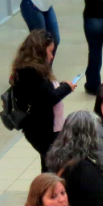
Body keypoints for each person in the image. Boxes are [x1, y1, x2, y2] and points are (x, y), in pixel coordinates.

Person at [11, 30, 75, 172]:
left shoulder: (29, 70)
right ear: (40, 51)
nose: (52, 57)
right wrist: (66, 88)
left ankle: (47, 191)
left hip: (43, 128)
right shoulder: (31, 73)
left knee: (49, 165)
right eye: (50, 51)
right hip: (41, 130)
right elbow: (48, 99)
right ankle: (48, 191)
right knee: (54, 167)